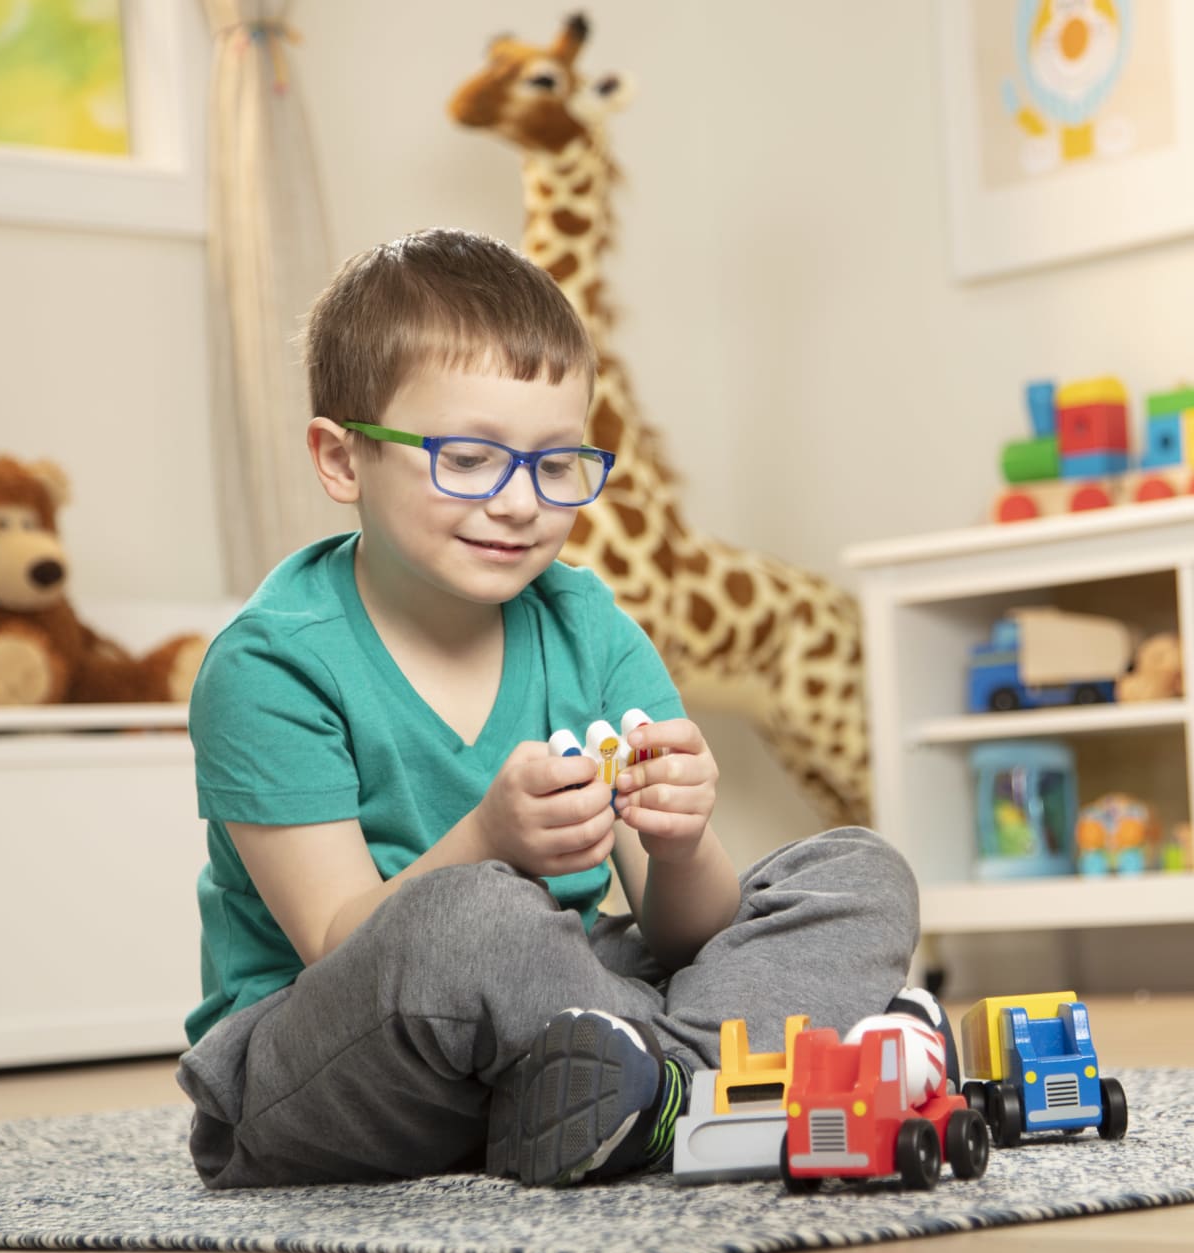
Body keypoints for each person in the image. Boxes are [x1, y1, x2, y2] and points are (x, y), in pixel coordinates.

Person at [176, 227, 930, 1190]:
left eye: (555, 463)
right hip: (326, 1067)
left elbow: (685, 934)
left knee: (854, 870)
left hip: (564, 1012)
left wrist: (683, 844)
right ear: (342, 459)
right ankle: (739, 1075)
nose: (520, 502)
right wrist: (491, 834)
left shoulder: (587, 622)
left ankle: (649, 1097)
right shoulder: (273, 663)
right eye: (469, 458)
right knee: (478, 918)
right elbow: (336, 943)